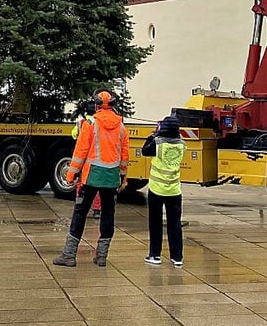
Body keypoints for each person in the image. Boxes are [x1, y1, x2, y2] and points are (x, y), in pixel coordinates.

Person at [53, 89, 129, 268]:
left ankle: (69, 255)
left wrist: (71, 175)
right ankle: (101, 256)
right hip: (111, 178)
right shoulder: (121, 126)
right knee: (108, 214)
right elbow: (124, 155)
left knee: (80, 213)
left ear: (96, 105)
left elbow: (80, 152)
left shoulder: (90, 123)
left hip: (91, 177)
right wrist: (123, 177)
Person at [142, 114, 186, 267]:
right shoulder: (182, 144)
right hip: (174, 190)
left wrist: (153, 134)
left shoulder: (157, 143)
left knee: (155, 223)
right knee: (175, 224)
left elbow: (144, 151)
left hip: (156, 190)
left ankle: (155, 255)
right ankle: (177, 257)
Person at [71, 101, 102, 219]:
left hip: (82, 159)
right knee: (96, 186)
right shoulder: (97, 123)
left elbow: (74, 135)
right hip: (94, 159)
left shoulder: (80, 123)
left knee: (80, 184)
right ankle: (97, 210)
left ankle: (79, 206)